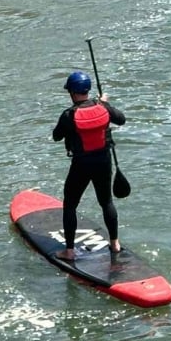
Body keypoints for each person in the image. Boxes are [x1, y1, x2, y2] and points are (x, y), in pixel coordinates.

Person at [51, 71, 126, 260]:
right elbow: (121, 119)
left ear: (72, 93)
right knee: (106, 202)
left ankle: (69, 251)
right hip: (103, 162)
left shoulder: (69, 115)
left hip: (81, 164)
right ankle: (115, 244)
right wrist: (104, 103)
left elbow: (56, 136)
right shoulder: (103, 107)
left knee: (70, 204)